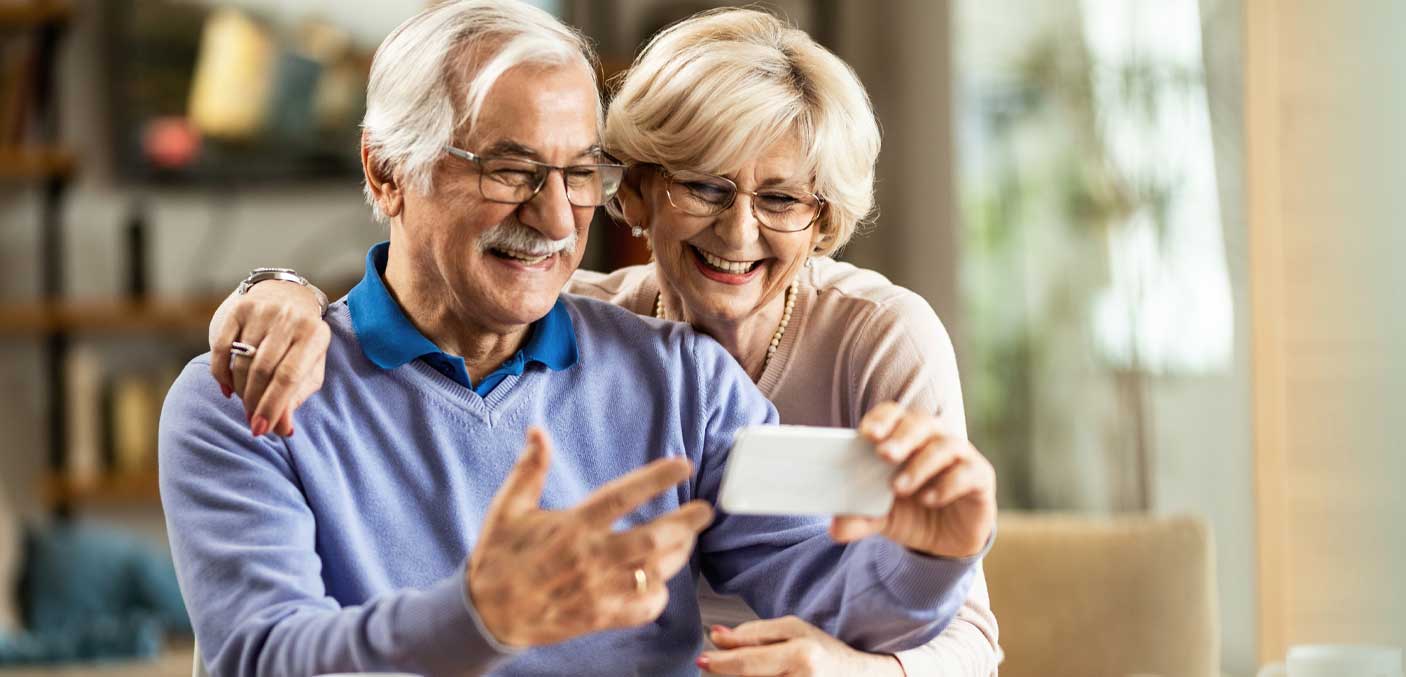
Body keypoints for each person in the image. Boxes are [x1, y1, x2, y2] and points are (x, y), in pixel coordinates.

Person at [162, 2, 997, 677]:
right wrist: (477, 618)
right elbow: (262, 657)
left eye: (577, 173)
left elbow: (834, 592)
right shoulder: (240, 396)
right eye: (510, 169)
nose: (556, 217)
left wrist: (932, 555)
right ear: (386, 172)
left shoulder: (681, 377)